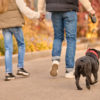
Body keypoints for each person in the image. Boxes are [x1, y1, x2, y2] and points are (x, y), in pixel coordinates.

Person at [38, 0, 95, 78]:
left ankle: (55, 60)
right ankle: (69, 70)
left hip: (55, 10)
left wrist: (40, 11)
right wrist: (90, 9)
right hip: (70, 10)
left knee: (57, 37)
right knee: (71, 39)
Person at [0, 0, 44, 81]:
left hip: (5, 26)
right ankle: (20, 68)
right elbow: (25, 10)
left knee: (8, 49)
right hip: (15, 24)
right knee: (21, 44)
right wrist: (38, 15)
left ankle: (8, 73)